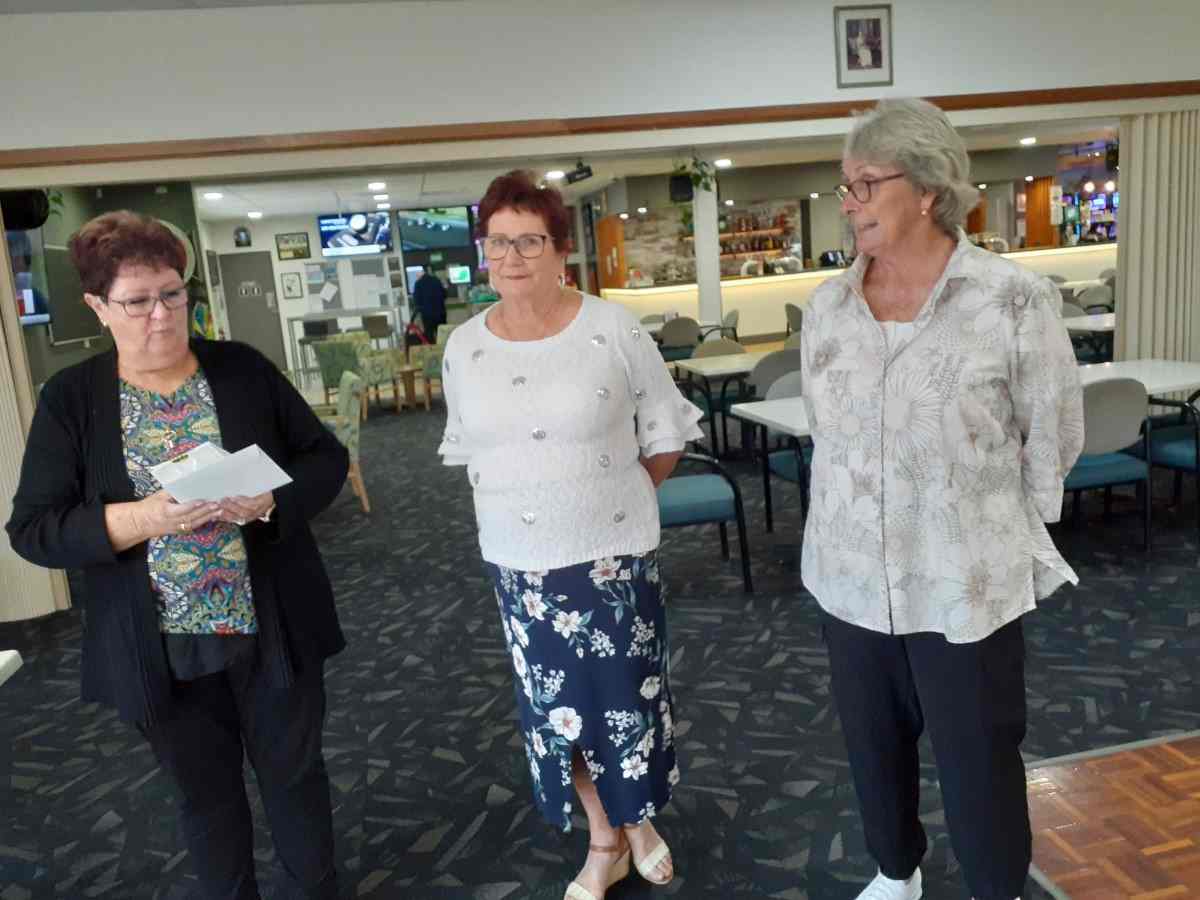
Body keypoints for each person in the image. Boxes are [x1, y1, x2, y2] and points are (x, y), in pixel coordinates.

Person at [6, 211, 349, 900]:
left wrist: (270, 501)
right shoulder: (72, 398)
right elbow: (34, 528)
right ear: (98, 307)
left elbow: (323, 457)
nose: (161, 316)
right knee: (207, 797)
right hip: (159, 644)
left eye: (172, 294)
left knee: (295, 777)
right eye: (137, 302)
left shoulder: (242, 369)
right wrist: (143, 519)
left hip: (271, 624)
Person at [801, 98, 1083, 900]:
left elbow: (1053, 435)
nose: (848, 203)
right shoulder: (827, 308)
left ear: (926, 190)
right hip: (851, 574)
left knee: (979, 756)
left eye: (864, 184)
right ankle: (896, 872)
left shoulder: (1012, 301)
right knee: (872, 745)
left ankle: (996, 888)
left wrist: (1003, 531)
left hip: (967, 578)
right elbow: (831, 435)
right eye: (844, 186)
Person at [437, 171, 703, 900]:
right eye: (498, 242)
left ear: (561, 250)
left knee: (625, 703)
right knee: (559, 715)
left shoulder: (611, 329)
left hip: (611, 561)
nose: (513, 256)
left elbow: (667, 430)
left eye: (530, 240)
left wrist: (618, 499)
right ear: (483, 253)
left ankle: (639, 821)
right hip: (520, 568)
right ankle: (606, 837)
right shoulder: (464, 347)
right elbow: (474, 451)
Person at [413, 264, 448, 341]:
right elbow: (444, 295)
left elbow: (416, 301)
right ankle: (443, 350)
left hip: (427, 315)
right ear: (431, 271)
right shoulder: (437, 281)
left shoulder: (418, 283)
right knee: (442, 334)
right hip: (440, 313)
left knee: (429, 335)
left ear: (423, 271)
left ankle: (431, 350)